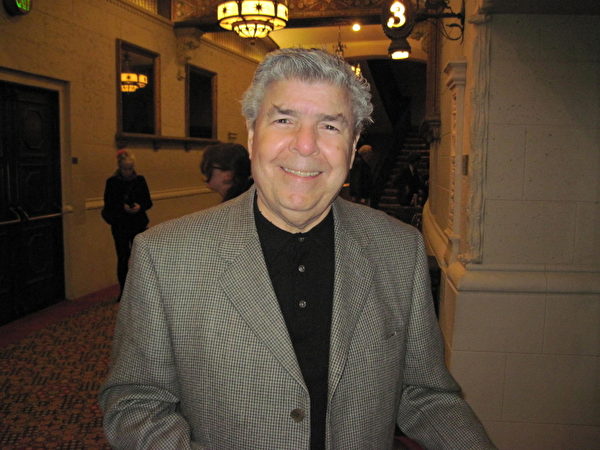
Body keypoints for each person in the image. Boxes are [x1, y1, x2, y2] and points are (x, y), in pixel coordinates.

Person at [100, 48, 495, 449]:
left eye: (330, 125)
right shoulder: (164, 257)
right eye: (284, 120)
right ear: (252, 135)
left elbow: (423, 393)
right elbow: (134, 403)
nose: (306, 145)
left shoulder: (399, 249)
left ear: (353, 145)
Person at [101, 150, 152, 300]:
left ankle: (141, 290)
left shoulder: (140, 180)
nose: (128, 172)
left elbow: (148, 202)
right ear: (119, 167)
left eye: (130, 168)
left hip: (138, 224)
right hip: (120, 225)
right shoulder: (112, 182)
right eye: (125, 169)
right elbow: (108, 205)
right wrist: (121, 207)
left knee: (140, 258)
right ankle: (124, 291)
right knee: (123, 258)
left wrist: (139, 206)